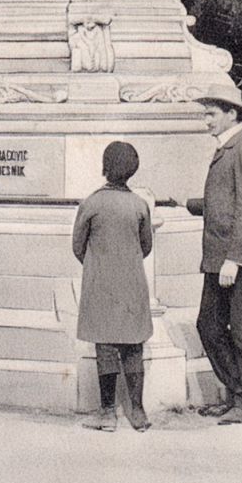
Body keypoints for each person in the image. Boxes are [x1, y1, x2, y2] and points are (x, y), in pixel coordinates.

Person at [187, 94, 242, 425]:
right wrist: (191, 204)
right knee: (208, 325)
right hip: (218, 257)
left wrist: (234, 260)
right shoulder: (227, 149)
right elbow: (224, 200)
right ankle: (236, 392)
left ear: (231, 114)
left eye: (210, 114)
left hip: (239, 259)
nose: (205, 120)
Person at [71, 140, 154, 432]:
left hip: (100, 285)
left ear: (105, 167)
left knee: (105, 347)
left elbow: (77, 246)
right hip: (133, 284)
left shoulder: (91, 203)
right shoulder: (139, 205)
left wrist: (99, 265)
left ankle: (107, 414)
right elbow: (146, 246)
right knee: (133, 348)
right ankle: (139, 412)